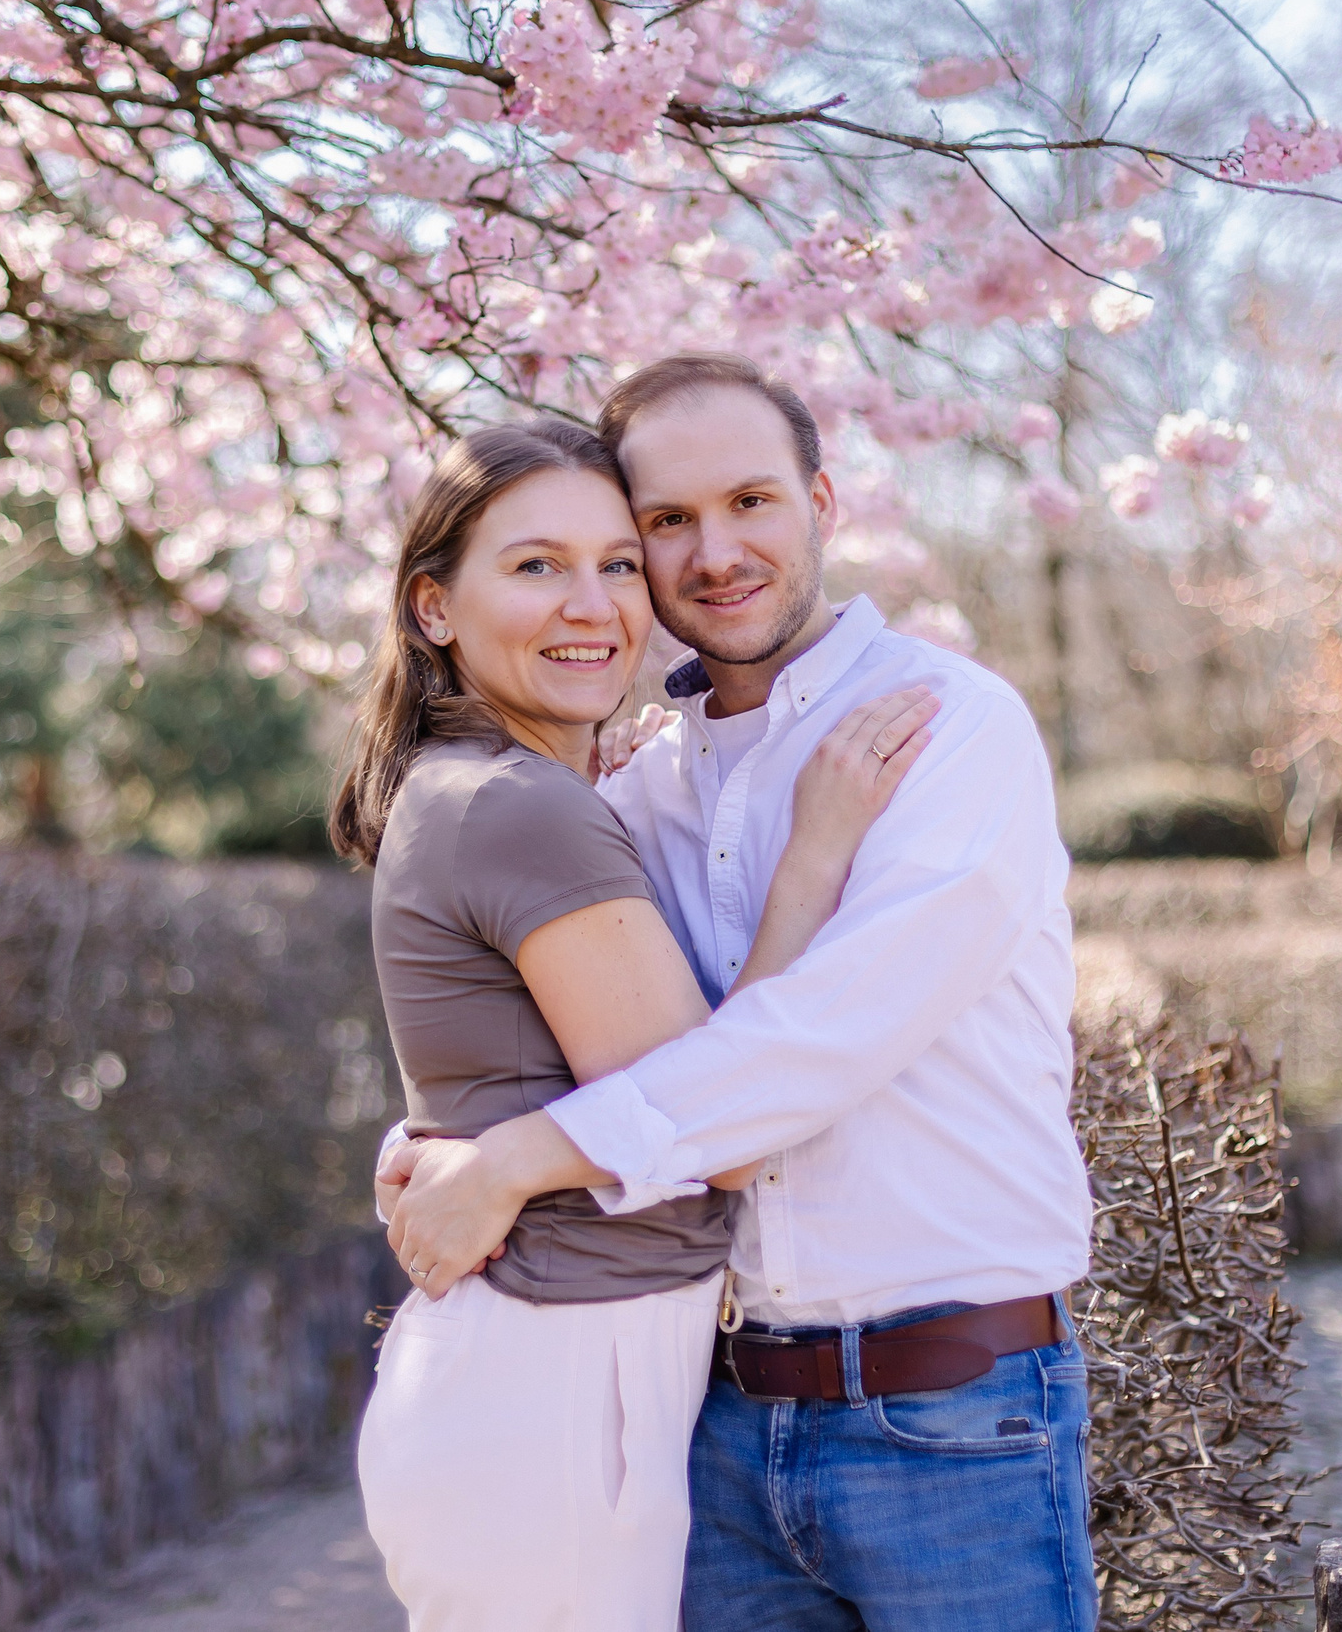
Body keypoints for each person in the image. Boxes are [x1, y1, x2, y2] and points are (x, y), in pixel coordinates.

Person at [380, 354, 1099, 1632]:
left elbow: (808, 1047)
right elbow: (583, 1038)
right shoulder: (635, 795)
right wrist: (447, 1134)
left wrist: (509, 1160)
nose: (714, 551)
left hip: (950, 1413)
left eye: (752, 501)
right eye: (665, 522)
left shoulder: (944, 727)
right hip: (709, 1424)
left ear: (821, 500)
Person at [330, 416, 935, 1632]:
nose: (592, 604)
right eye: (535, 564)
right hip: (551, 1387)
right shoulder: (516, 808)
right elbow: (718, 1124)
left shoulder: (504, 788)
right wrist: (813, 849)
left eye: (616, 563)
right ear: (433, 608)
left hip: (554, 1377)